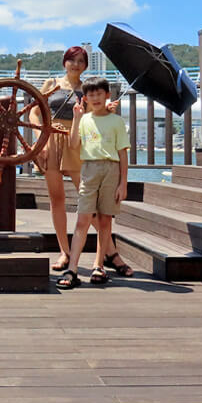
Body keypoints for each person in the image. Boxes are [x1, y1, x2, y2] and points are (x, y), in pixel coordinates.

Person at [31, 47, 133, 277]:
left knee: (89, 204)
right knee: (56, 200)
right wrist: (41, 140)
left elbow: (92, 115)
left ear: (85, 66)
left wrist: (106, 109)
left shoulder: (88, 89)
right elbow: (34, 113)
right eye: (71, 60)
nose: (75, 64)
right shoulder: (50, 83)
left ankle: (111, 252)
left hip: (78, 142)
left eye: (80, 61)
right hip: (51, 142)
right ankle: (64, 252)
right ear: (64, 62)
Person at [58, 76, 130, 289]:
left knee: (106, 220)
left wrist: (123, 183)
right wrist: (77, 118)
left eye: (99, 94)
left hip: (111, 169)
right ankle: (72, 268)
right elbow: (73, 144)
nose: (95, 98)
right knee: (83, 219)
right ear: (85, 98)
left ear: (107, 95)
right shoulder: (84, 119)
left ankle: (99, 266)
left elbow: (123, 154)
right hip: (88, 169)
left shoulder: (116, 121)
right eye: (90, 94)